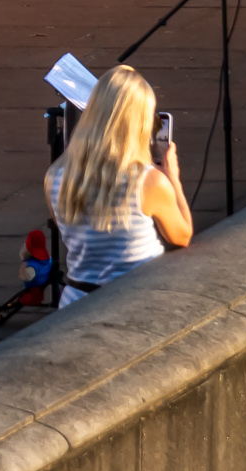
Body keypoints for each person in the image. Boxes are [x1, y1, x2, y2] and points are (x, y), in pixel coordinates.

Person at [44, 66, 192, 303]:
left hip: (75, 299)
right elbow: (181, 236)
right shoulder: (148, 180)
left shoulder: (55, 176)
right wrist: (172, 177)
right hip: (133, 301)